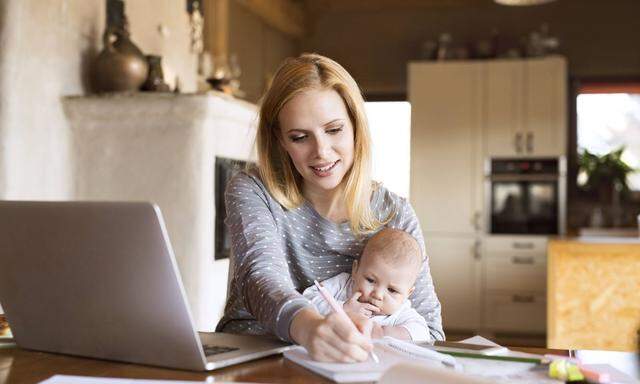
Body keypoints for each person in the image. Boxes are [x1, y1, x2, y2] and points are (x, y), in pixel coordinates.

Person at [215, 53, 444, 363]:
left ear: (355, 128)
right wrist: (310, 328)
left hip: (357, 364)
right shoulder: (253, 190)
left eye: (334, 130)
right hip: (256, 355)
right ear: (280, 140)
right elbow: (261, 279)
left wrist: (375, 337)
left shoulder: (395, 214)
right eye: (299, 137)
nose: (321, 152)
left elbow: (429, 330)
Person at [302, 228, 431, 342]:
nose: (378, 295)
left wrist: (384, 333)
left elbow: (423, 332)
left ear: (408, 294)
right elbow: (308, 297)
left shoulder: (400, 313)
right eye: (370, 280)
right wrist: (342, 309)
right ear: (355, 270)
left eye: (392, 290)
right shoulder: (343, 285)